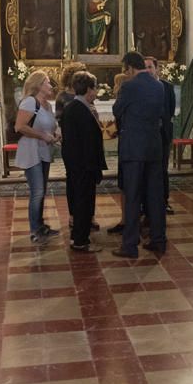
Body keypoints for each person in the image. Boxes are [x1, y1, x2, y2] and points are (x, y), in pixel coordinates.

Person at [112, 52, 167, 258]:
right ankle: (158, 240)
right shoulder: (158, 86)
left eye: (126, 70)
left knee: (133, 196)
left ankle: (130, 246)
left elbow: (117, 110)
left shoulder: (129, 86)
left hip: (134, 148)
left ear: (130, 68)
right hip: (154, 147)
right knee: (155, 196)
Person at [60, 71, 106, 253]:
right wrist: (92, 167)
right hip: (83, 165)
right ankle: (80, 240)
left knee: (81, 200)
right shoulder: (79, 110)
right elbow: (86, 142)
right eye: (94, 89)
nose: (95, 93)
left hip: (78, 164)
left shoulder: (75, 107)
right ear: (88, 89)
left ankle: (78, 237)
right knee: (83, 202)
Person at [14, 70, 60, 244]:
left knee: (42, 191)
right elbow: (19, 127)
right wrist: (42, 136)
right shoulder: (29, 102)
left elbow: (50, 126)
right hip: (31, 150)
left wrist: (55, 134)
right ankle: (35, 230)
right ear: (39, 85)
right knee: (37, 191)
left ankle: (41, 226)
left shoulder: (47, 105)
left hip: (44, 151)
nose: (51, 85)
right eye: (48, 82)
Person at [144, 57, 177, 214]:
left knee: (162, 169)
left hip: (163, 135)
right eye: (145, 67)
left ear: (157, 69)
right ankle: (146, 204)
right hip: (146, 137)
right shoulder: (141, 87)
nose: (148, 70)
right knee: (146, 169)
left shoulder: (167, 87)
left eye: (150, 67)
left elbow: (169, 111)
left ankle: (164, 202)